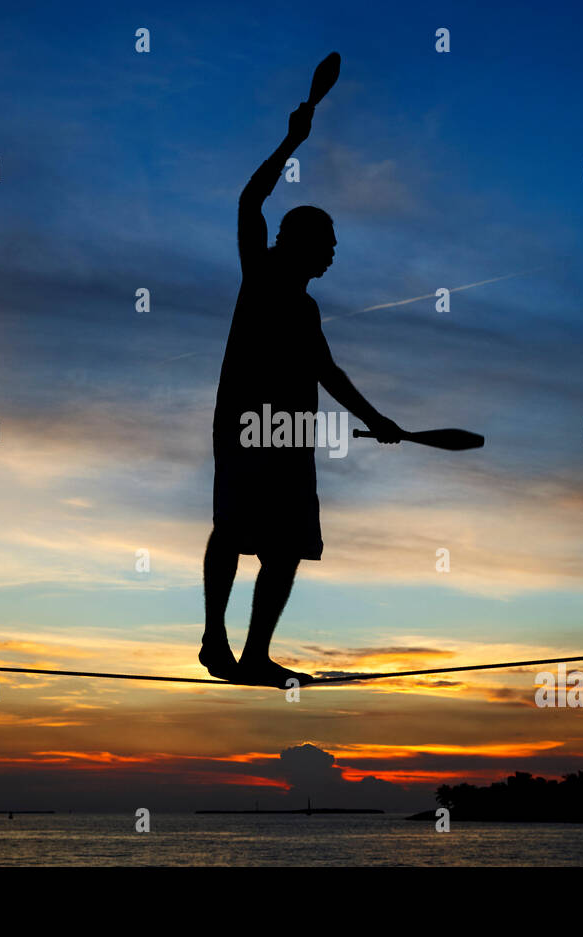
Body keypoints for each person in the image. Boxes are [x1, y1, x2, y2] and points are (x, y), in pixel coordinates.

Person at [200, 98, 403, 688]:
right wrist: (292, 142)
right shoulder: (261, 274)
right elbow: (248, 202)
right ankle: (216, 640)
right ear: (298, 240)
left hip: (290, 436)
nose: (335, 250)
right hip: (246, 426)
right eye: (329, 239)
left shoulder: (306, 309)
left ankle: (255, 655)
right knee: (235, 531)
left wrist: (378, 418)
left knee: (286, 546)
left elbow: (327, 372)